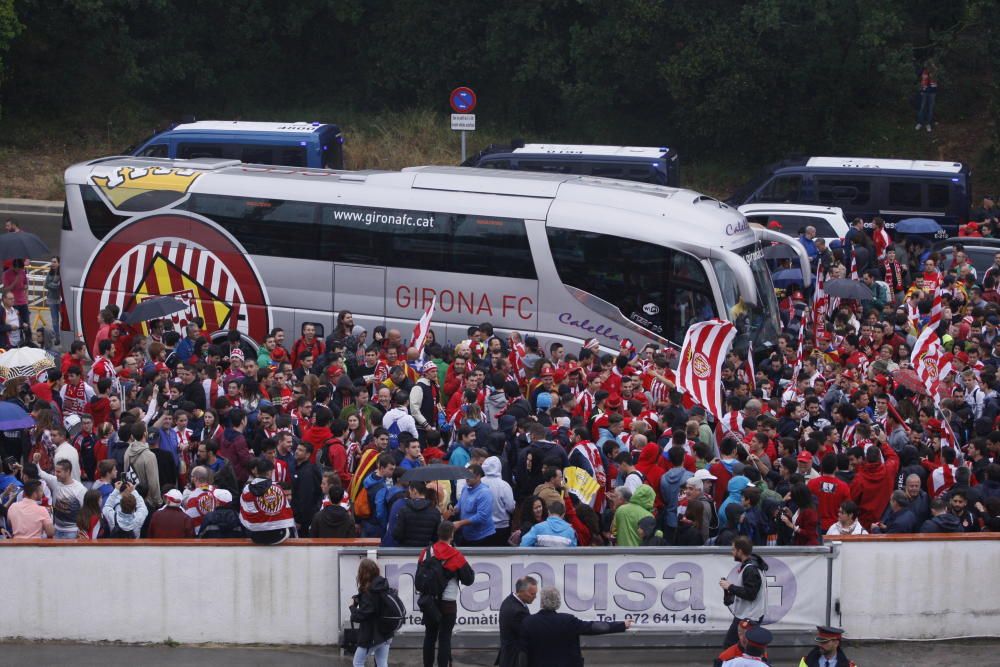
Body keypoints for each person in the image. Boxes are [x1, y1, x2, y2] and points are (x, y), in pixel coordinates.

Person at [520, 586, 631, 667]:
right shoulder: (568, 620)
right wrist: (622, 625)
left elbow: (523, 651)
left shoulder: (528, 622)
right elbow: (594, 627)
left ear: (542, 602)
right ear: (558, 602)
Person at [420, 521, 474, 667]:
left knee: (429, 637)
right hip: (448, 602)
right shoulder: (456, 555)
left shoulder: (426, 552)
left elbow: (420, 577)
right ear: (452, 534)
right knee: (445, 638)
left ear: (438, 533)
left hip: (429, 601)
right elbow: (469, 579)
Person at [719, 536, 769, 647]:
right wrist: (730, 590)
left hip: (748, 616)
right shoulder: (752, 566)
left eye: (733, 549)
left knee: (730, 647)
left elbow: (750, 594)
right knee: (744, 648)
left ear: (740, 551)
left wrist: (730, 587)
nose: (732, 552)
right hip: (750, 615)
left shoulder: (750, 569)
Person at [239, 457, 295, 545]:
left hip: (256, 536)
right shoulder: (278, 488)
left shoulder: (247, 489)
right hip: (279, 535)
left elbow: (244, 512)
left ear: (256, 471)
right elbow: (285, 511)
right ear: (269, 472)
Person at [349, 558, 393, 667]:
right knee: (382, 662)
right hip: (386, 632)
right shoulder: (383, 585)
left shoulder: (368, 592)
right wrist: (359, 597)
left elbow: (361, 616)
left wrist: (352, 607)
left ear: (362, 573)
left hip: (372, 635)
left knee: (358, 662)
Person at [36, 457, 87, 539]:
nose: (56, 474)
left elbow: (86, 511)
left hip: (72, 532)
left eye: (59, 472)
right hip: (57, 530)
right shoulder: (55, 481)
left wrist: (83, 531)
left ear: (68, 471)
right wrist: (36, 462)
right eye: (56, 471)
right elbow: (40, 473)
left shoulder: (80, 489)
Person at [450, 463, 495, 546]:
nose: (466, 478)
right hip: (467, 535)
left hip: (482, 537)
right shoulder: (465, 488)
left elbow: (482, 517)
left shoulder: (484, 493)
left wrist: (460, 523)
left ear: (478, 476)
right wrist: (455, 509)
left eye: (469, 475)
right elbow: (460, 504)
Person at [497, 576, 538, 667]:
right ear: (521, 591)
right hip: (515, 659)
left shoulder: (510, 600)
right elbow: (528, 635)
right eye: (532, 594)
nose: (535, 597)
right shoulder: (516, 611)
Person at [392, 480, 442, 547]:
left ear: (414, 491)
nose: (409, 494)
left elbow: (397, 535)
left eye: (410, 491)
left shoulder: (404, 510)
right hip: (425, 552)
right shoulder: (435, 512)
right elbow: (437, 536)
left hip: (405, 551)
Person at [44, 257, 62, 344]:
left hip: (61, 300)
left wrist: (52, 285)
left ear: (59, 263)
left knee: (63, 319)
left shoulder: (62, 273)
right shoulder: (50, 273)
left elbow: (59, 286)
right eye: (52, 262)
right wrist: (54, 284)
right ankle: (57, 338)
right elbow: (45, 285)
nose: (53, 264)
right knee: (55, 320)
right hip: (51, 299)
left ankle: (63, 336)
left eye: (55, 262)